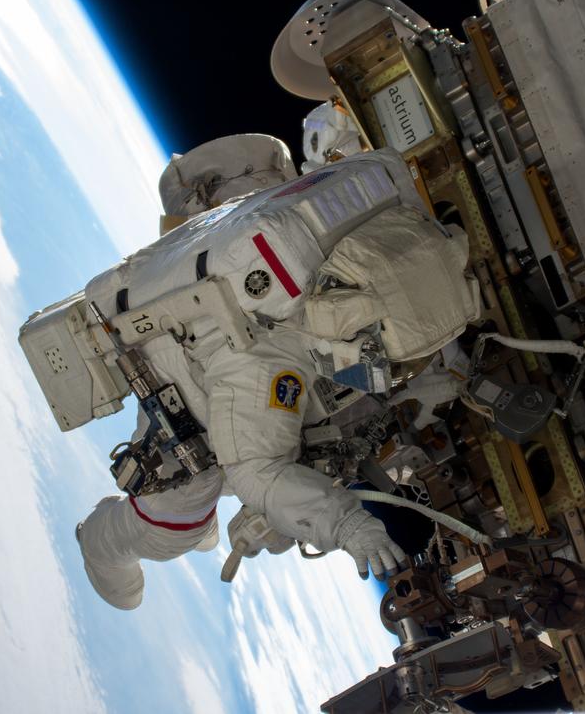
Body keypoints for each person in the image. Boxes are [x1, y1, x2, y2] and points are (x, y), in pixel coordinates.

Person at [73, 135, 479, 610]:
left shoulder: (325, 252)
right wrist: (344, 523)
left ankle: (221, 514)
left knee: (254, 462)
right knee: (177, 515)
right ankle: (98, 544)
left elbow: (259, 470)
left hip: (211, 304)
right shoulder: (265, 356)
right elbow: (257, 471)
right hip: (183, 376)